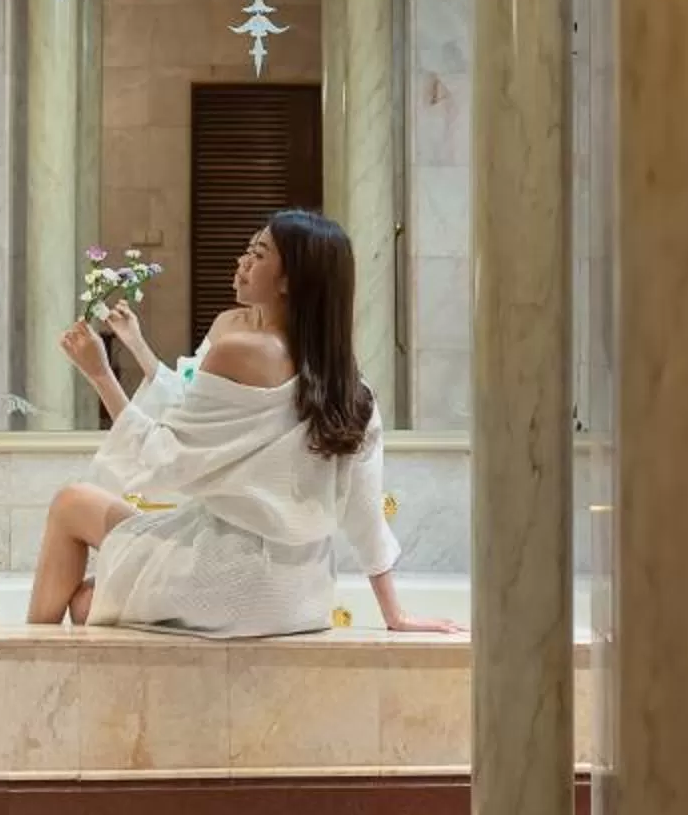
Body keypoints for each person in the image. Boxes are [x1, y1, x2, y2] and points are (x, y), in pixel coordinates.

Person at [28, 208, 459, 638]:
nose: (242, 261)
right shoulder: (351, 388)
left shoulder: (237, 351)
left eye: (258, 253)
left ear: (289, 281)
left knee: (71, 506)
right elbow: (364, 512)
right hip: (302, 597)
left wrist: (100, 374)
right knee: (86, 602)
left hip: (228, 577)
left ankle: (22, 656)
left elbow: (165, 461)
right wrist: (395, 615)